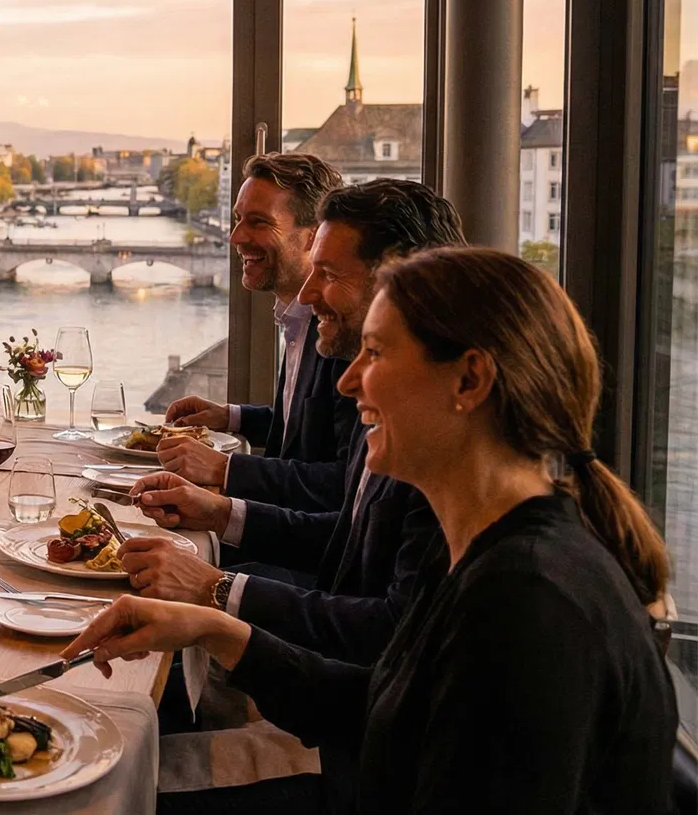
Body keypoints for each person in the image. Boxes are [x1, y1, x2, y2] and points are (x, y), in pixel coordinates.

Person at [66, 247, 675, 813]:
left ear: (469, 381)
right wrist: (212, 628)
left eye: (376, 353)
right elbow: (389, 707)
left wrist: (216, 601)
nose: (347, 380)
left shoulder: (527, 603)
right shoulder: (511, 553)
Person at [122, 180, 461, 665]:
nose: (307, 292)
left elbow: (386, 638)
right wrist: (219, 514)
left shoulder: (435, 449)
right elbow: (350, 539)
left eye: (327, 273)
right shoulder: (403, 411)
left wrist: (216, 594)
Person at [160, 154, 354, 509]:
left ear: (314, 237)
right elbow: (305, 427)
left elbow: (344, 484)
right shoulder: (298, 318)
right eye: (238, 220)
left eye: (258, 222)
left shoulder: (342, 334)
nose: (236, 237)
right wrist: (229, 416)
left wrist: (224, 469)